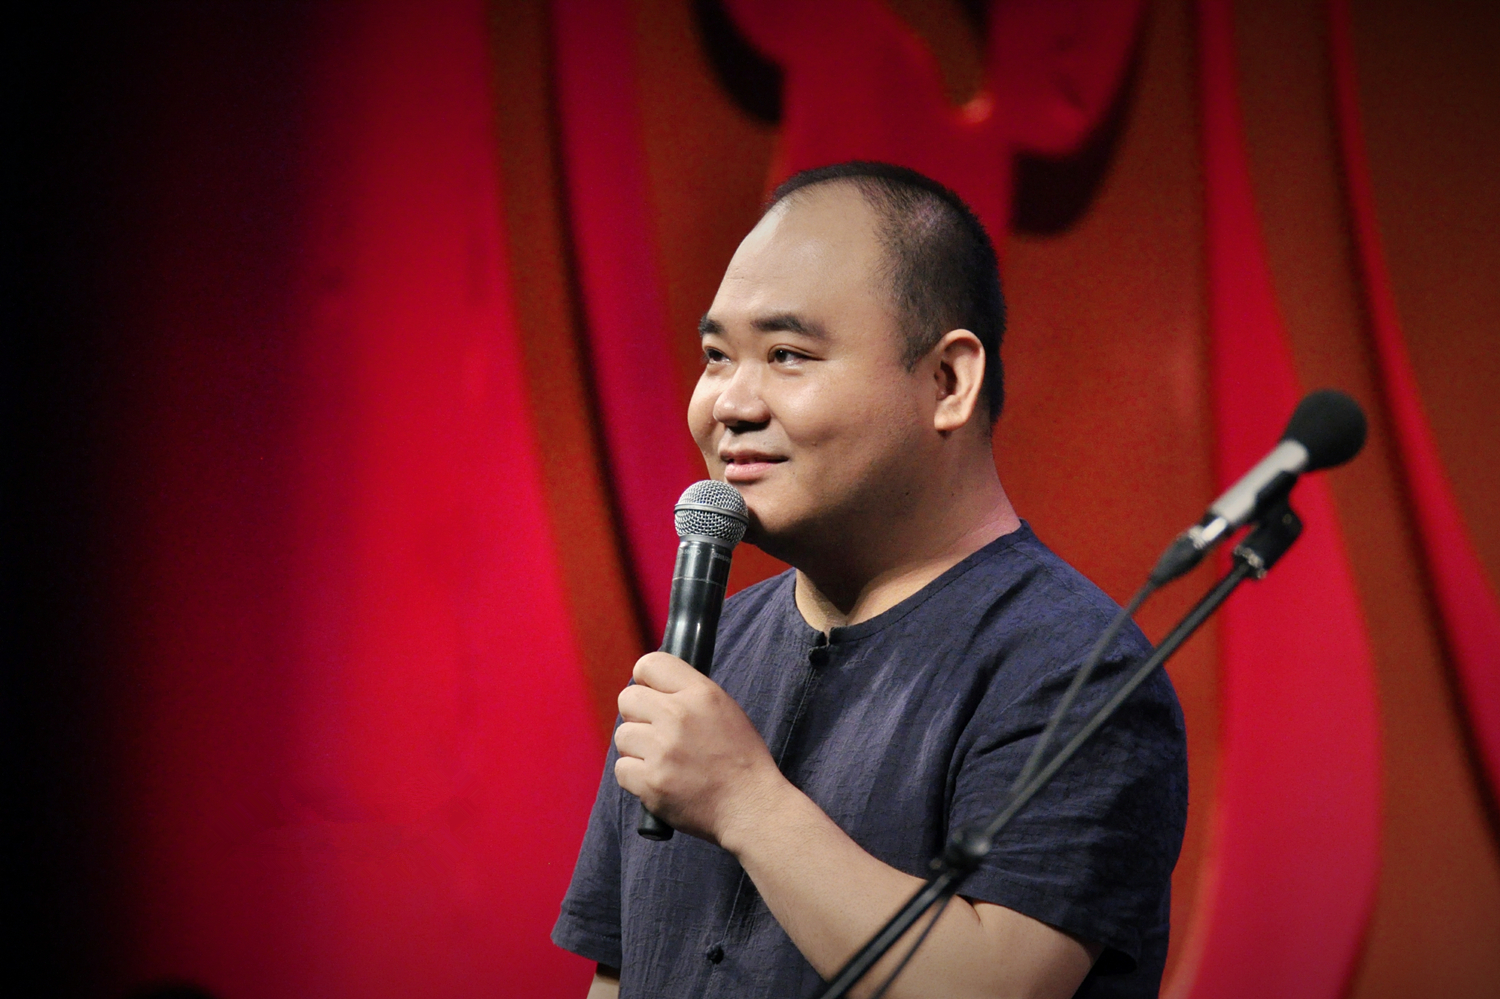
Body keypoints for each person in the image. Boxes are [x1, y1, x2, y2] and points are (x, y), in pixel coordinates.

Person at [552, 162, 1187, 999]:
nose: (730, 403)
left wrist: (746, 802)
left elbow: (995, 989)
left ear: (947, 381)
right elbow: (621, 974)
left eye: (786, 354)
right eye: (716, 356)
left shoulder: (1077, 668)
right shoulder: (706, 652)